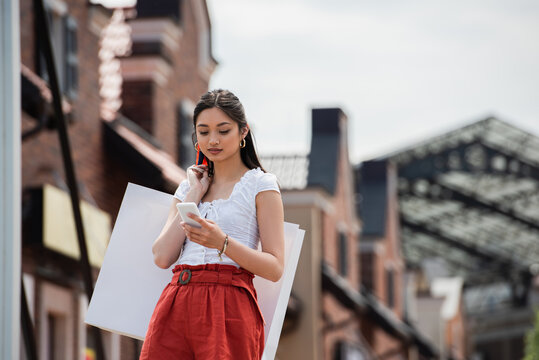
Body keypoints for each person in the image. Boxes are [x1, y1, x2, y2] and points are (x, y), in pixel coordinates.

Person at [139, 89, 285, 360]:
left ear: (243, 132)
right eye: (203, 132)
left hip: (229, 301)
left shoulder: (261, 184)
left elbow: (275, 267)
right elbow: (161, 257)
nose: (213, 140)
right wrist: (194, 193)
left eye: (223, 130)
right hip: (177, 297)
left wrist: (223, 243)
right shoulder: (188, 187)